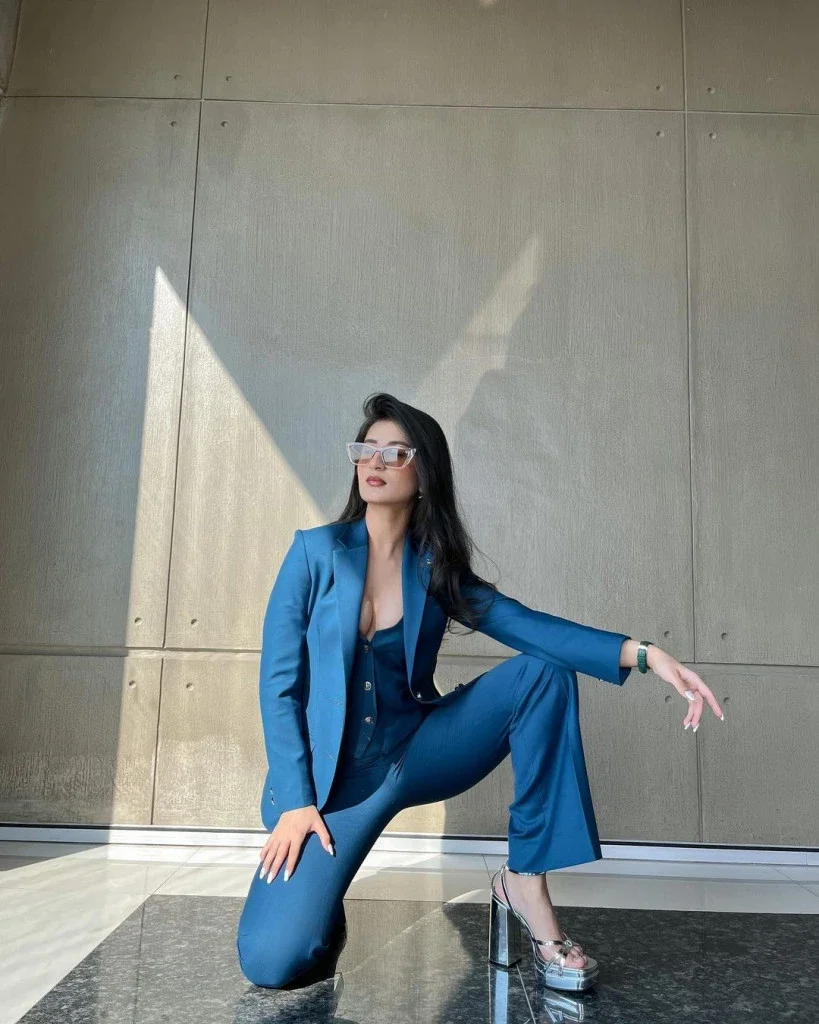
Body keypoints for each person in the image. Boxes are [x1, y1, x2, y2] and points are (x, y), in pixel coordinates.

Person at [236, 391, 723, 991]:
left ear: (424, 474)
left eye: (396, 452)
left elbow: (530, 627)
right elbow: (279, 686)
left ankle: (524, 883)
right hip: (330, 787)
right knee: (272, 961)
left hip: (417, 750)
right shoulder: (313, 554)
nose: (375, 461)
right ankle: (320, 910)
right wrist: (295, 801)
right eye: (367, 449)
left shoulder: (434, 569)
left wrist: (646, 655)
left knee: (543, 672)